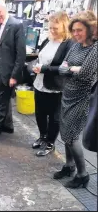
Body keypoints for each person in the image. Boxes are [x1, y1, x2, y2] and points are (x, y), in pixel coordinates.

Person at [54, 11, 97, 188]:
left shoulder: (95, 49)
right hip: (68, 94)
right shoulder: (75, 45)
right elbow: (62, 66)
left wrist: (69, 69)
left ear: (90, 29)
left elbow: (86, 74)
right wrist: (73, 69)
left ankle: (82, 174)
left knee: (72, 137)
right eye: (74, 30)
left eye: (80, 30)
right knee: (65, 133)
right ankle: (69, 165)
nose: (76, 34)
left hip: (82, 97)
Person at [31, 11, 74, 156]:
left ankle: (50, 142)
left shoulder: (69, 44)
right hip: (39, 83)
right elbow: (40, 56)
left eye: (56, 28)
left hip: (55, 86)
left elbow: (65, 68)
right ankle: (42, 136)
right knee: (39, 113)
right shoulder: (47, 40)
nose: (52, 31)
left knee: (54, 118)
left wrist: (43, 68)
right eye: (50, 28)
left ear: (64, 26)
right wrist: (36, 66)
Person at [0, 0, 26, 144]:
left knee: (1, 102)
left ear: (5, 9)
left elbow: (21, 54)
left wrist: (14, 76)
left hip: (7, 71)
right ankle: (8, 126)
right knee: (2, 98)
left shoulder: (15, 25)